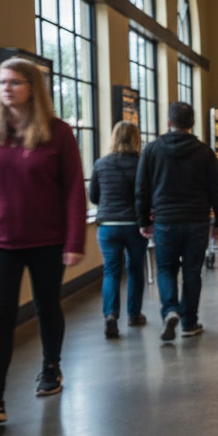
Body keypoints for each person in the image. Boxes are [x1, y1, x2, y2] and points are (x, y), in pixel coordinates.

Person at [0, 58, 86, 424]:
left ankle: (50, 368)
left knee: (46, 307)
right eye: (1, 82)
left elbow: (74, 190)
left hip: (47, 240)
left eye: (14, 82)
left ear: (33, 87)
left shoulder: (57, 132)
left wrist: (75, 240)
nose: (6, 88)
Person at [136, 102, 218, 341]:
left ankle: (170, 310)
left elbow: (142, 189)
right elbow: (217, 189)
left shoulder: (152, 150)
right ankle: (189, 322)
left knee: (165, 268)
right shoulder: (204, 152)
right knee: (192, 271)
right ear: (192, 124)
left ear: (168, 123)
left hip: (165, 220)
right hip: (197, 221)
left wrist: (143, 220)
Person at [89, 121, 147, 339]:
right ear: (135, 139)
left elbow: (94, 196)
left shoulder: (100, 164)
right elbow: (145, 195)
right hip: (134, 225)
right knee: (134, 269)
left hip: (108, 226)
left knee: (111, 271)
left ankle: (111, 316)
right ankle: (134, 314)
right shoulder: (141, 164)